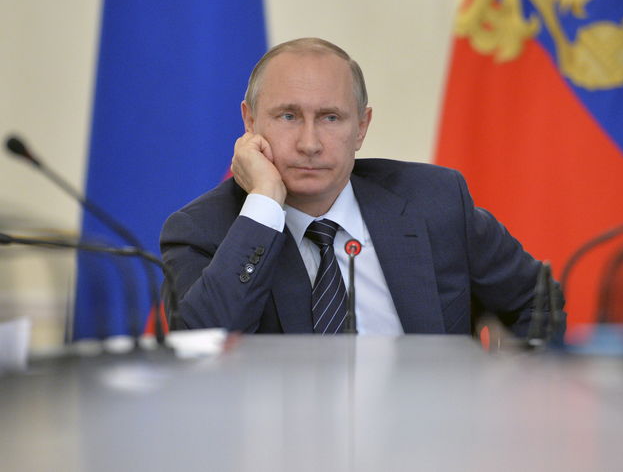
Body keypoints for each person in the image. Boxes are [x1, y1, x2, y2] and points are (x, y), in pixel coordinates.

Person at [160, 37, 549, 336]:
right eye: (288, 116)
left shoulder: (435, 202)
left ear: (361, 127)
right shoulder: (202, 230)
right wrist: (263, 204)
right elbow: (199, 351)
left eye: (331, 118)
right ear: (249, 121)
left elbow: (539, 304)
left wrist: (503, 388)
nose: (309, 143)